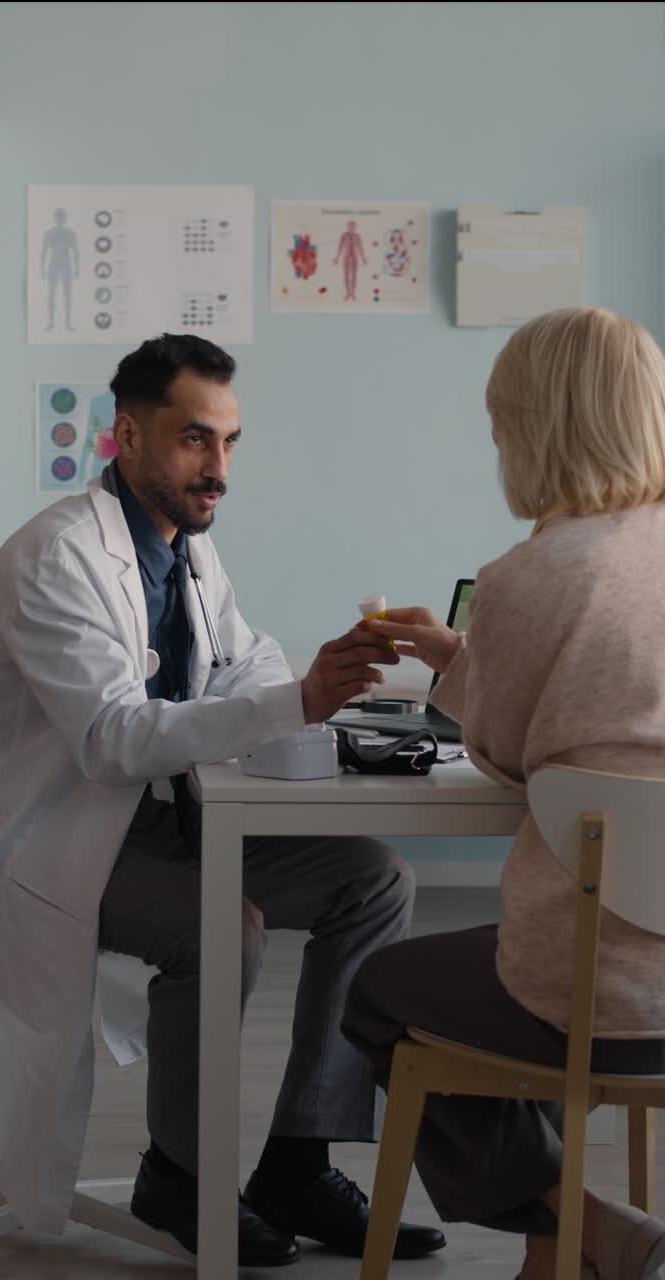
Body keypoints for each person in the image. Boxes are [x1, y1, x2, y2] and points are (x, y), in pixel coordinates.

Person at [0, 334, 445, 1268]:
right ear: (128, 435)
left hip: (169, 823)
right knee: (224, 925)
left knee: (374, 882)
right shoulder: (57, 557)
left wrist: (325, 679)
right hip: (54, 846)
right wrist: (294, 700)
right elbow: (112, 738)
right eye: (194, 440)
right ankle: (178, 1173)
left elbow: (244, 662)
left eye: (229, 442)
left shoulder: (189, 554)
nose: (218, 469)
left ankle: (298, 1162)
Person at [342, 307, 665, 1280]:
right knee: (512, 960)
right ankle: (556, 1251)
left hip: (589, 992)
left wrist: (463, 666)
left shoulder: (530, 575)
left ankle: (577, 1220)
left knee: (383, 993)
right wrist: (464, 655)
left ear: (532, 428)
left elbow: (501, 751)